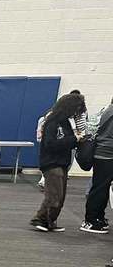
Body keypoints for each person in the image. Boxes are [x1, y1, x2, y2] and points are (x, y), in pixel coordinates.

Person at [30, 92, 85, 233]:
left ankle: (49, 221)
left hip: (62, 162)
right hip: (52, 163)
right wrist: (74, 140)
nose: (76, 112)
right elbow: (50, 144)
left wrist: (78, 140)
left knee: (60, 197)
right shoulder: (52, 122)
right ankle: (40, 219)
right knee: (54, 195)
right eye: (76, 108)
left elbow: (65, 142)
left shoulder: (65, 122)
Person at [81, 97, 113, 234]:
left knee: (100, 188)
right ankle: (92, 220)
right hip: (107, 155)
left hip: (103, 154)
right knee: (100, 189)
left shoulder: (108, 110)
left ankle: (96, 218)